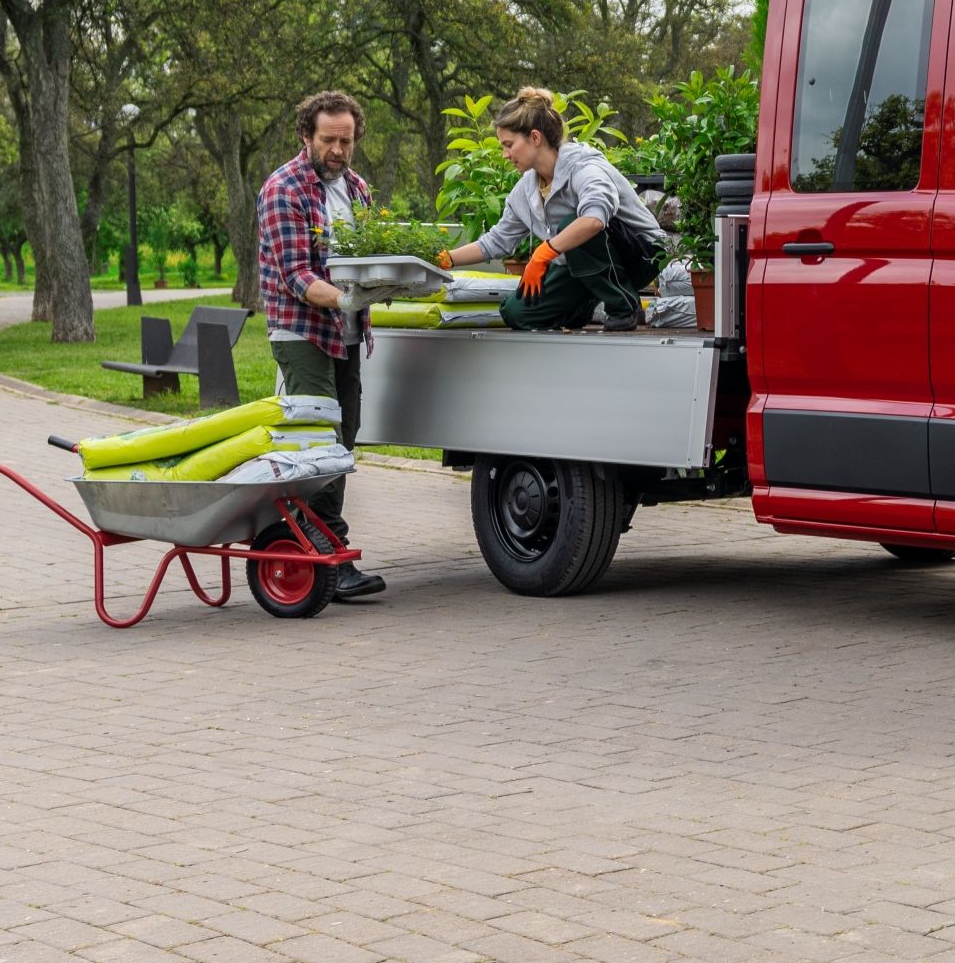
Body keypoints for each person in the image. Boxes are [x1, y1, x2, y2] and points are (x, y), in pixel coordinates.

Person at [254, 89, 386, 601]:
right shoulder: (283, 189)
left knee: (343, 439)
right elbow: (295, 275)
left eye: (346, 141)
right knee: (319, 441)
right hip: (302, 331)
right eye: (328, 139)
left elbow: (367, 259)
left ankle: (316, 547)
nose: (338, 150)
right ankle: (322, 554)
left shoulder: (357, 189)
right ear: (305, 135)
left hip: (346, 332)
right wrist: (349, 298)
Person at [436, 87, 669, 332]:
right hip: (586, 264)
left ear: (535, 138)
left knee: (574, 224)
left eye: (509, 145)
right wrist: (446, 259)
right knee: (517, 313)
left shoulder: (585, 167)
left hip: (642, 253)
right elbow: (497, 241)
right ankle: (582, 307)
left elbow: (594, 220)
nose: (505, 154)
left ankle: (624, 306)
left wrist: (544, 253)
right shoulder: (525, 189)